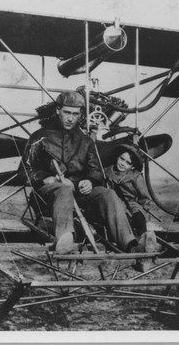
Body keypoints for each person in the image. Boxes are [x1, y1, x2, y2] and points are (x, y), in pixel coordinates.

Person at [20, 91, 145, 256]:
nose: (71, 118)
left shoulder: (86, 141)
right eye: (66, 113)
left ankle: (131, 245)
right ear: (58, 110)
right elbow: (23, 172)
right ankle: (65, 240)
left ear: (80, 114)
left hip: (80, 196)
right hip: (49, 195)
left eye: (75, 114)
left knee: (108, 194)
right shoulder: (40, 137)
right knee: (63, 190)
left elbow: (96, 172)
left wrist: (90, 182)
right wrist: (47, 179)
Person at [104, 144, 160, 248]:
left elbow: (145, 196)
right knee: (122, 220)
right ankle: (129, 242)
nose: (122, 164)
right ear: (117, 157)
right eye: (122, 159)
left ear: (132, 166)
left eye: (128, 163)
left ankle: (145, 239)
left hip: (132, 203)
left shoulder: (135, 176)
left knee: (138, 218)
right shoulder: (107, 172)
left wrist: (144, 210)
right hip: (116, 203)